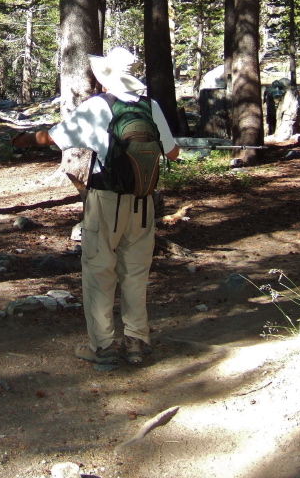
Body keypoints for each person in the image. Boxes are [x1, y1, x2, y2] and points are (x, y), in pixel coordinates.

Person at [11, 47, 179, 365]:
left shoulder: (99, 106)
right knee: (135, 273)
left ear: (107, 77)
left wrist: (24, 140)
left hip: (106, 200)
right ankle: (136, 342)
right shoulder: (150, 106)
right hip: (144, 203)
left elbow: (55, 137)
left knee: (99, 270)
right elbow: (172, 153)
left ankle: (103, 346)